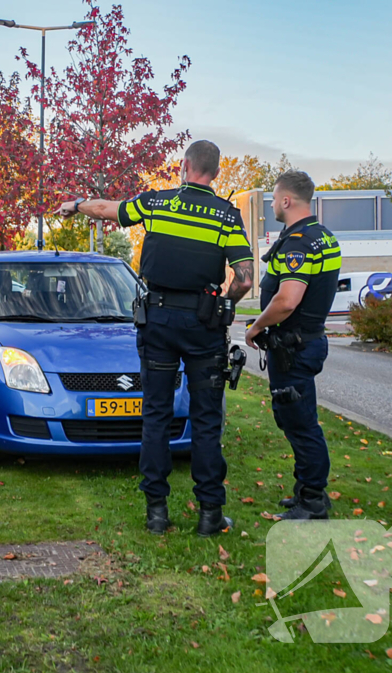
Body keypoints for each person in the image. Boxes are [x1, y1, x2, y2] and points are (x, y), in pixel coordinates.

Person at [58, 140, 254, 537]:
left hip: (158, 321)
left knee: (156, 415)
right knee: (206, 418)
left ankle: (157, 513)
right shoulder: (227, 216)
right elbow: (245, 278)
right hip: (203, 326)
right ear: (216, 173)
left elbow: (106, 209)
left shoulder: (157, 203)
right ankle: (210, 514)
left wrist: (75, 205)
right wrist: (224, 305)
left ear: (183, 166)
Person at [245, 170, 341, 520]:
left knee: (299, 423)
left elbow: (287, 301)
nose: (271, 204)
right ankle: (308, 490)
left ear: (286, 200)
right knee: (302, 418)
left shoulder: (299, 244)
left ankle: (312, 501)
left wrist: (256, 327)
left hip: (293, 347)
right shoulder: (323, 236)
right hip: (307, 342)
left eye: (274, 198)